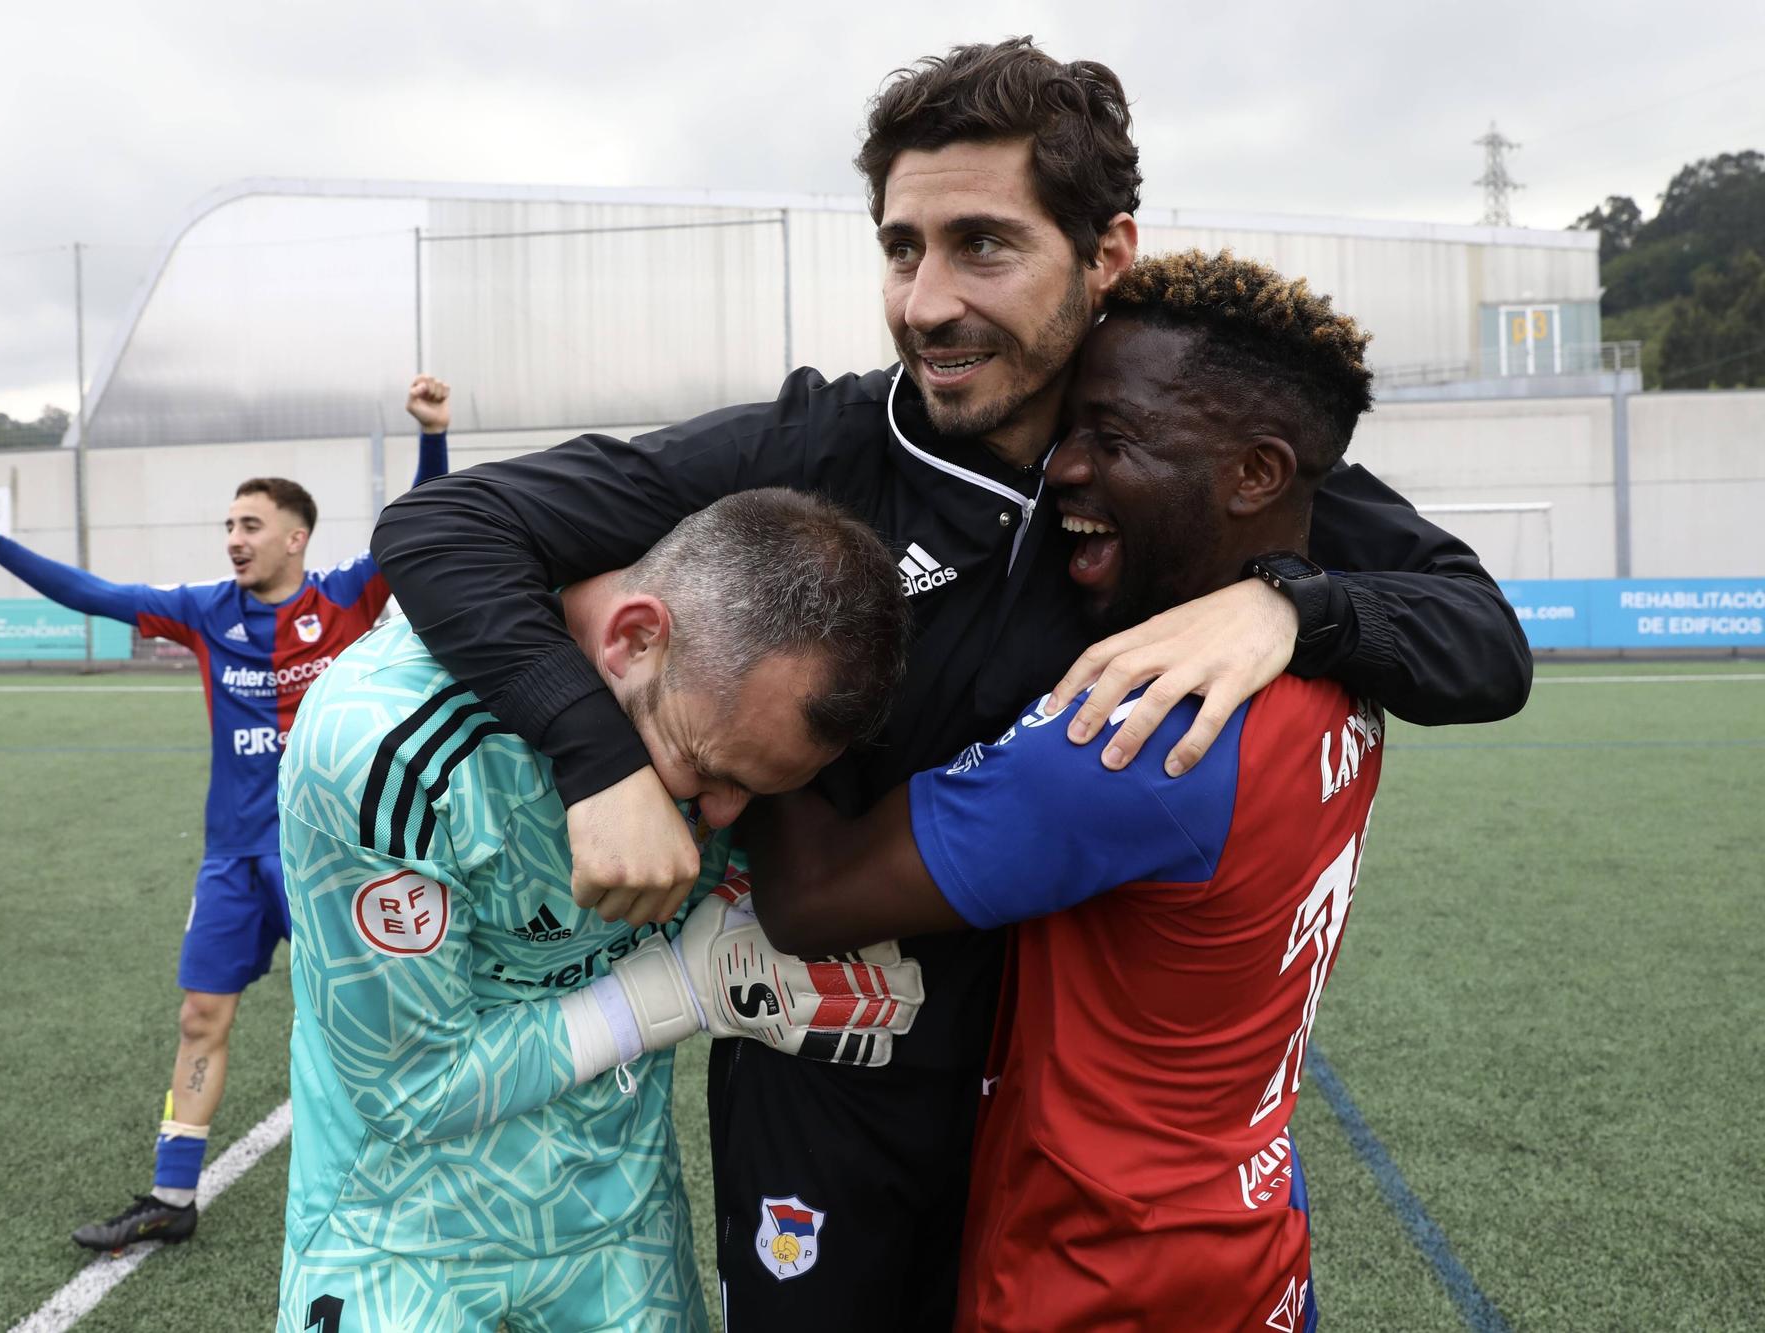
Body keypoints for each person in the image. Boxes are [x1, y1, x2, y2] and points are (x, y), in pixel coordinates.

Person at [371, 39, 1531, 1329]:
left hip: (1063, 1127)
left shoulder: (1181, 454)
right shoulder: (814, 447)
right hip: (834, 1106)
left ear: (1104, 256)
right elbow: (445, 531)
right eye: (899, 247)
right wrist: (598, 761)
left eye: (981, 245)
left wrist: (1284, 605)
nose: (923, 302)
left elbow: (1482, 640)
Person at [744, 250, 1385, 1331]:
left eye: (1111, 438)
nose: (1063, 469)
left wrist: (760, 656)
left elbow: (807, 896)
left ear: (1254, 473)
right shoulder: (1344, 659)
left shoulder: (1139, 733)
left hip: (1101, 1274)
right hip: (1247, 1235)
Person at [275, 488, 920, 1333]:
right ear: (634, 637)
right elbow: (412, 1087)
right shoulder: (379, 749)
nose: (723, 816)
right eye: (707, 768)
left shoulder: (707, 700)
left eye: (757, 791)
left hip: (621, 1219)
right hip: (399, 1231)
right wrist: (676, 995)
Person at [0, 375, 455, 1249]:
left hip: (327, 853)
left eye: (249, 525)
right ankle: (171, 1196)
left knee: (369, 1016)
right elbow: (93, 595)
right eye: (227, 525)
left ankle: (426, 1180)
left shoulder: (346, 598)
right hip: (232, 859)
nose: (233, 539)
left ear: (296, 537)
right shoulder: (203, 612)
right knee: (200, 1016)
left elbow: (425, 522)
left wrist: (433, 437)